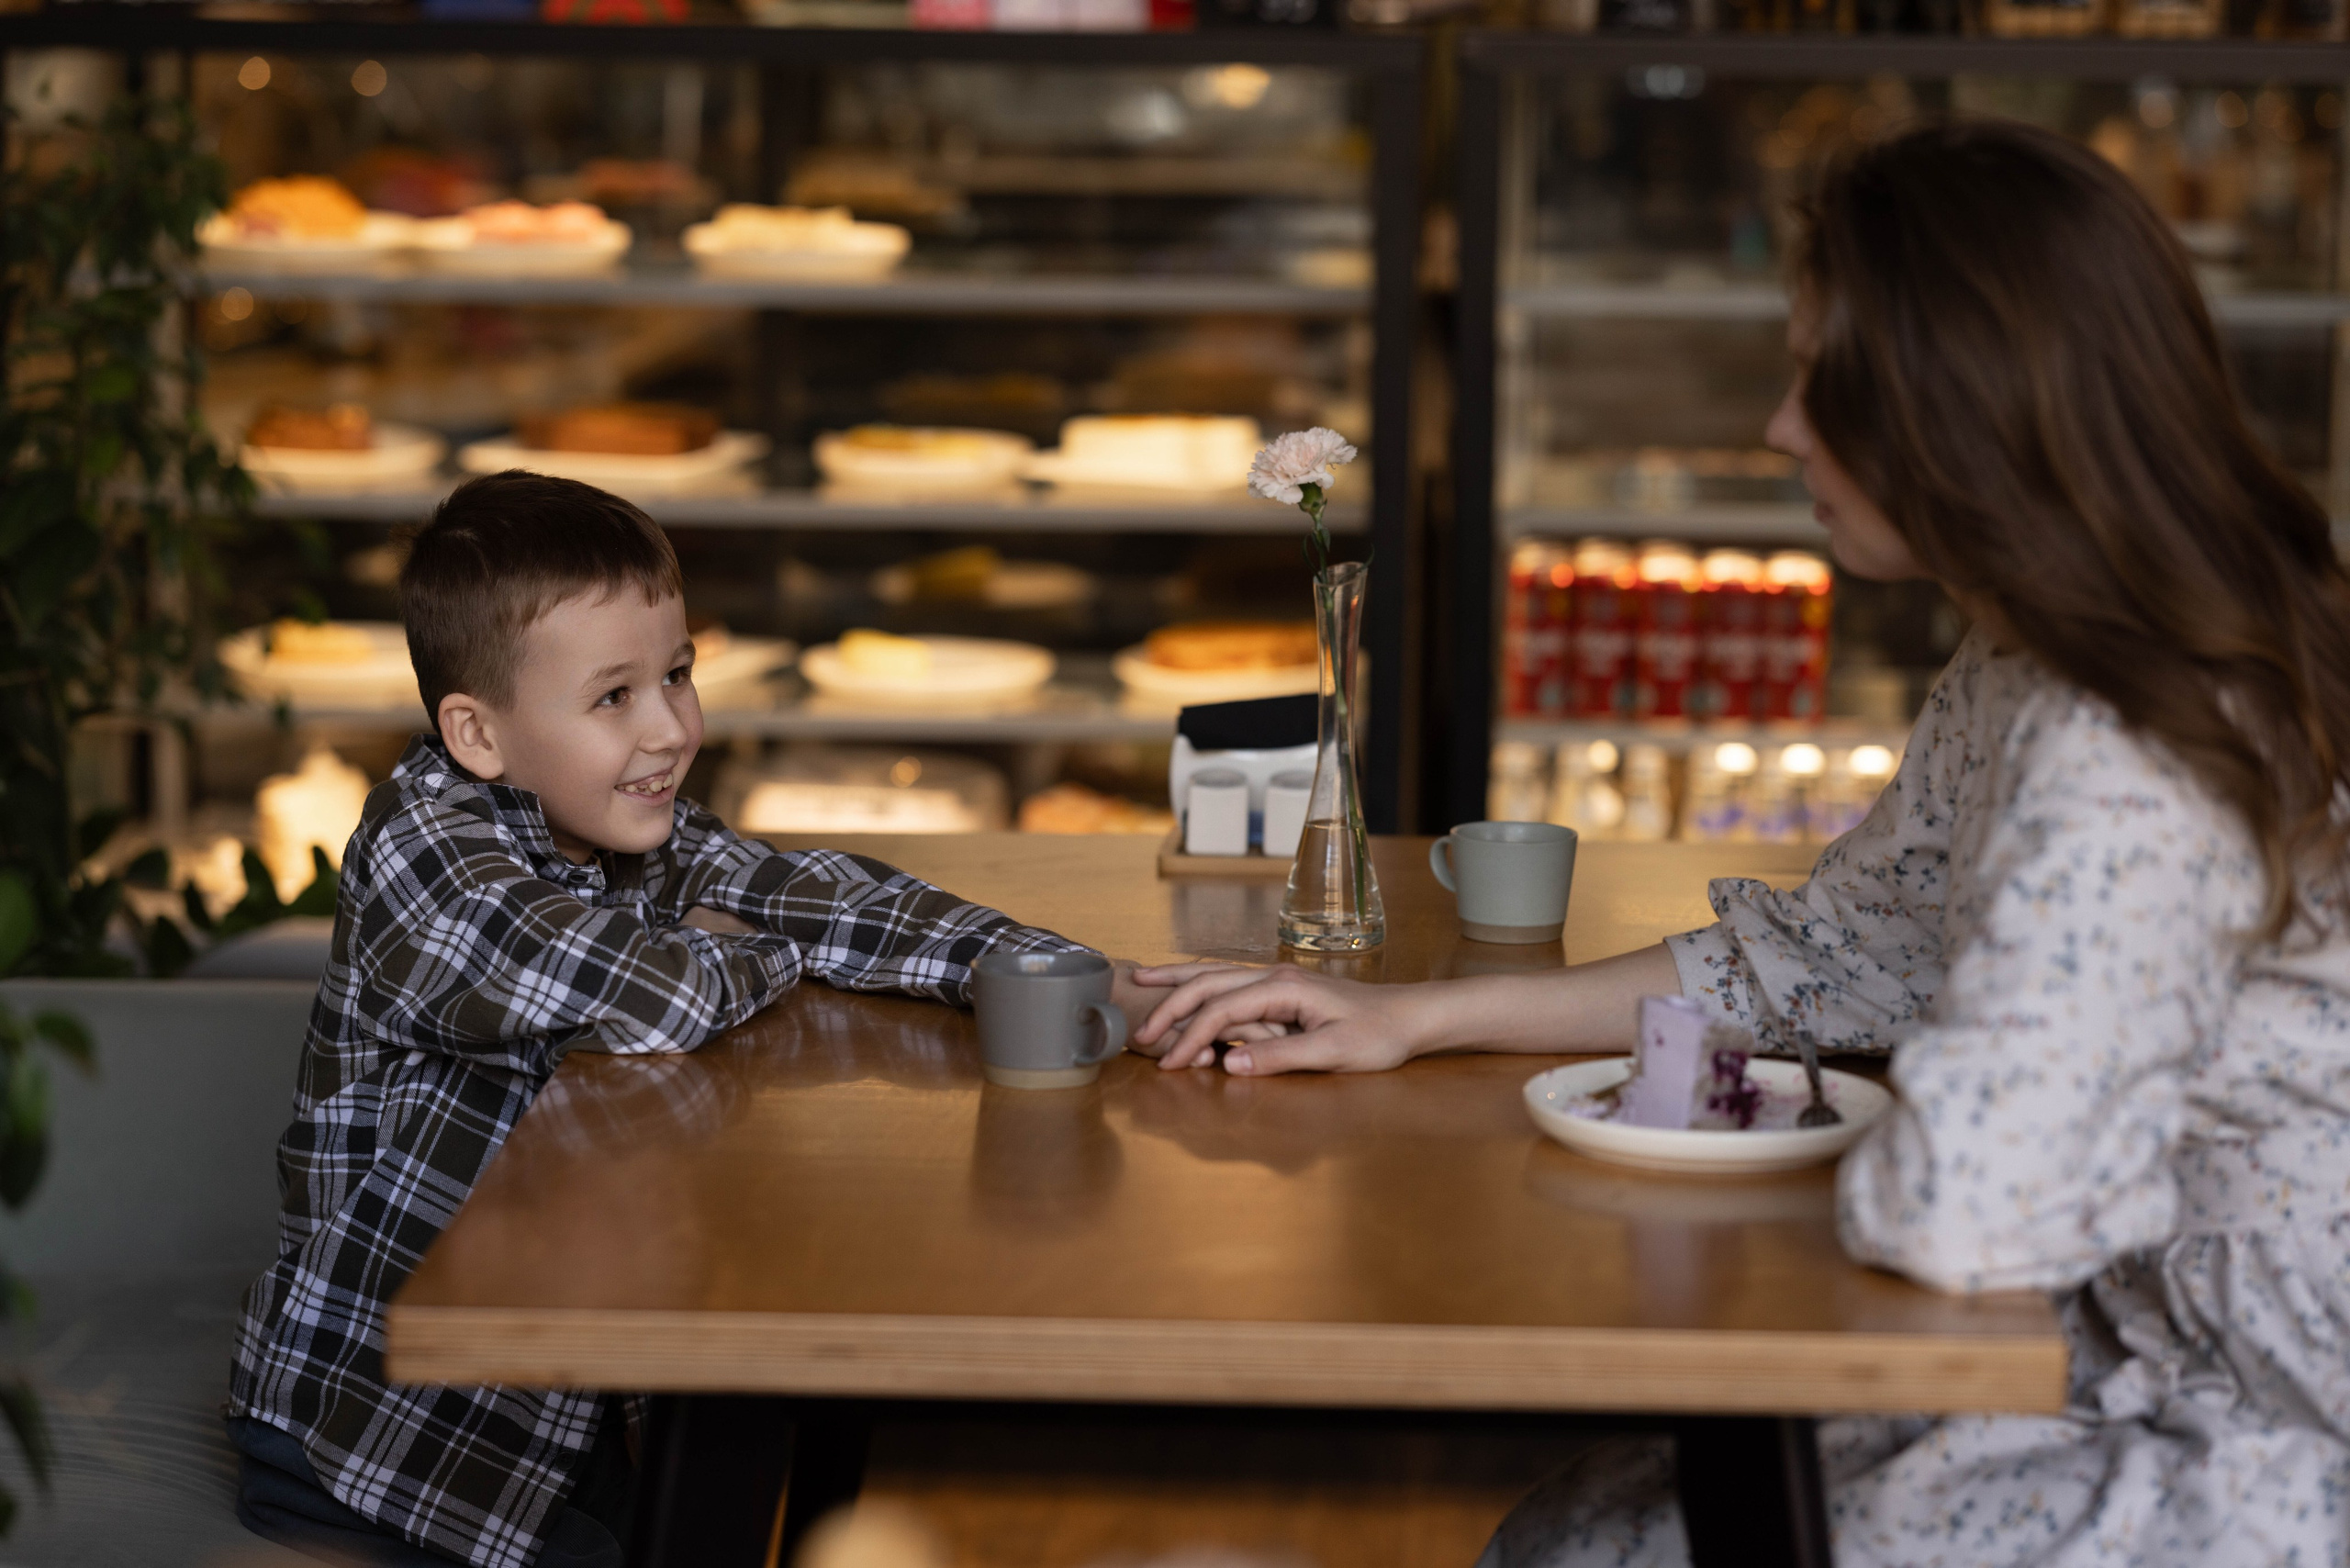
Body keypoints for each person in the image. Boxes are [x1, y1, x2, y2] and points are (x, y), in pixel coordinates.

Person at [1131, 119, 2350, 1568]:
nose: (1780, 428)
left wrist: (1810, 1126)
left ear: (1957, 404)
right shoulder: (2030, 658)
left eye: (1815, 378)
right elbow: (1841, 952)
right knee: (1574, 1528)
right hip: (2131, 1345)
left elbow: (1969, 1209)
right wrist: (1420, 1019)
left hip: (2263, 1432)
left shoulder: (2126, 752)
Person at [225, 472, 1155, 1568]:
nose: (671, 727)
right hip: (385, 1435)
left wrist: (1055, 970)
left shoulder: (623, 826)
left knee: (789, 1466)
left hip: (564, 1400)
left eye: (677, 674)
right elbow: (656, 990)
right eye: (613, 696)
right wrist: (733, 948)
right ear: (476, 734)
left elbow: (825, 896)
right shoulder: (421, 845)